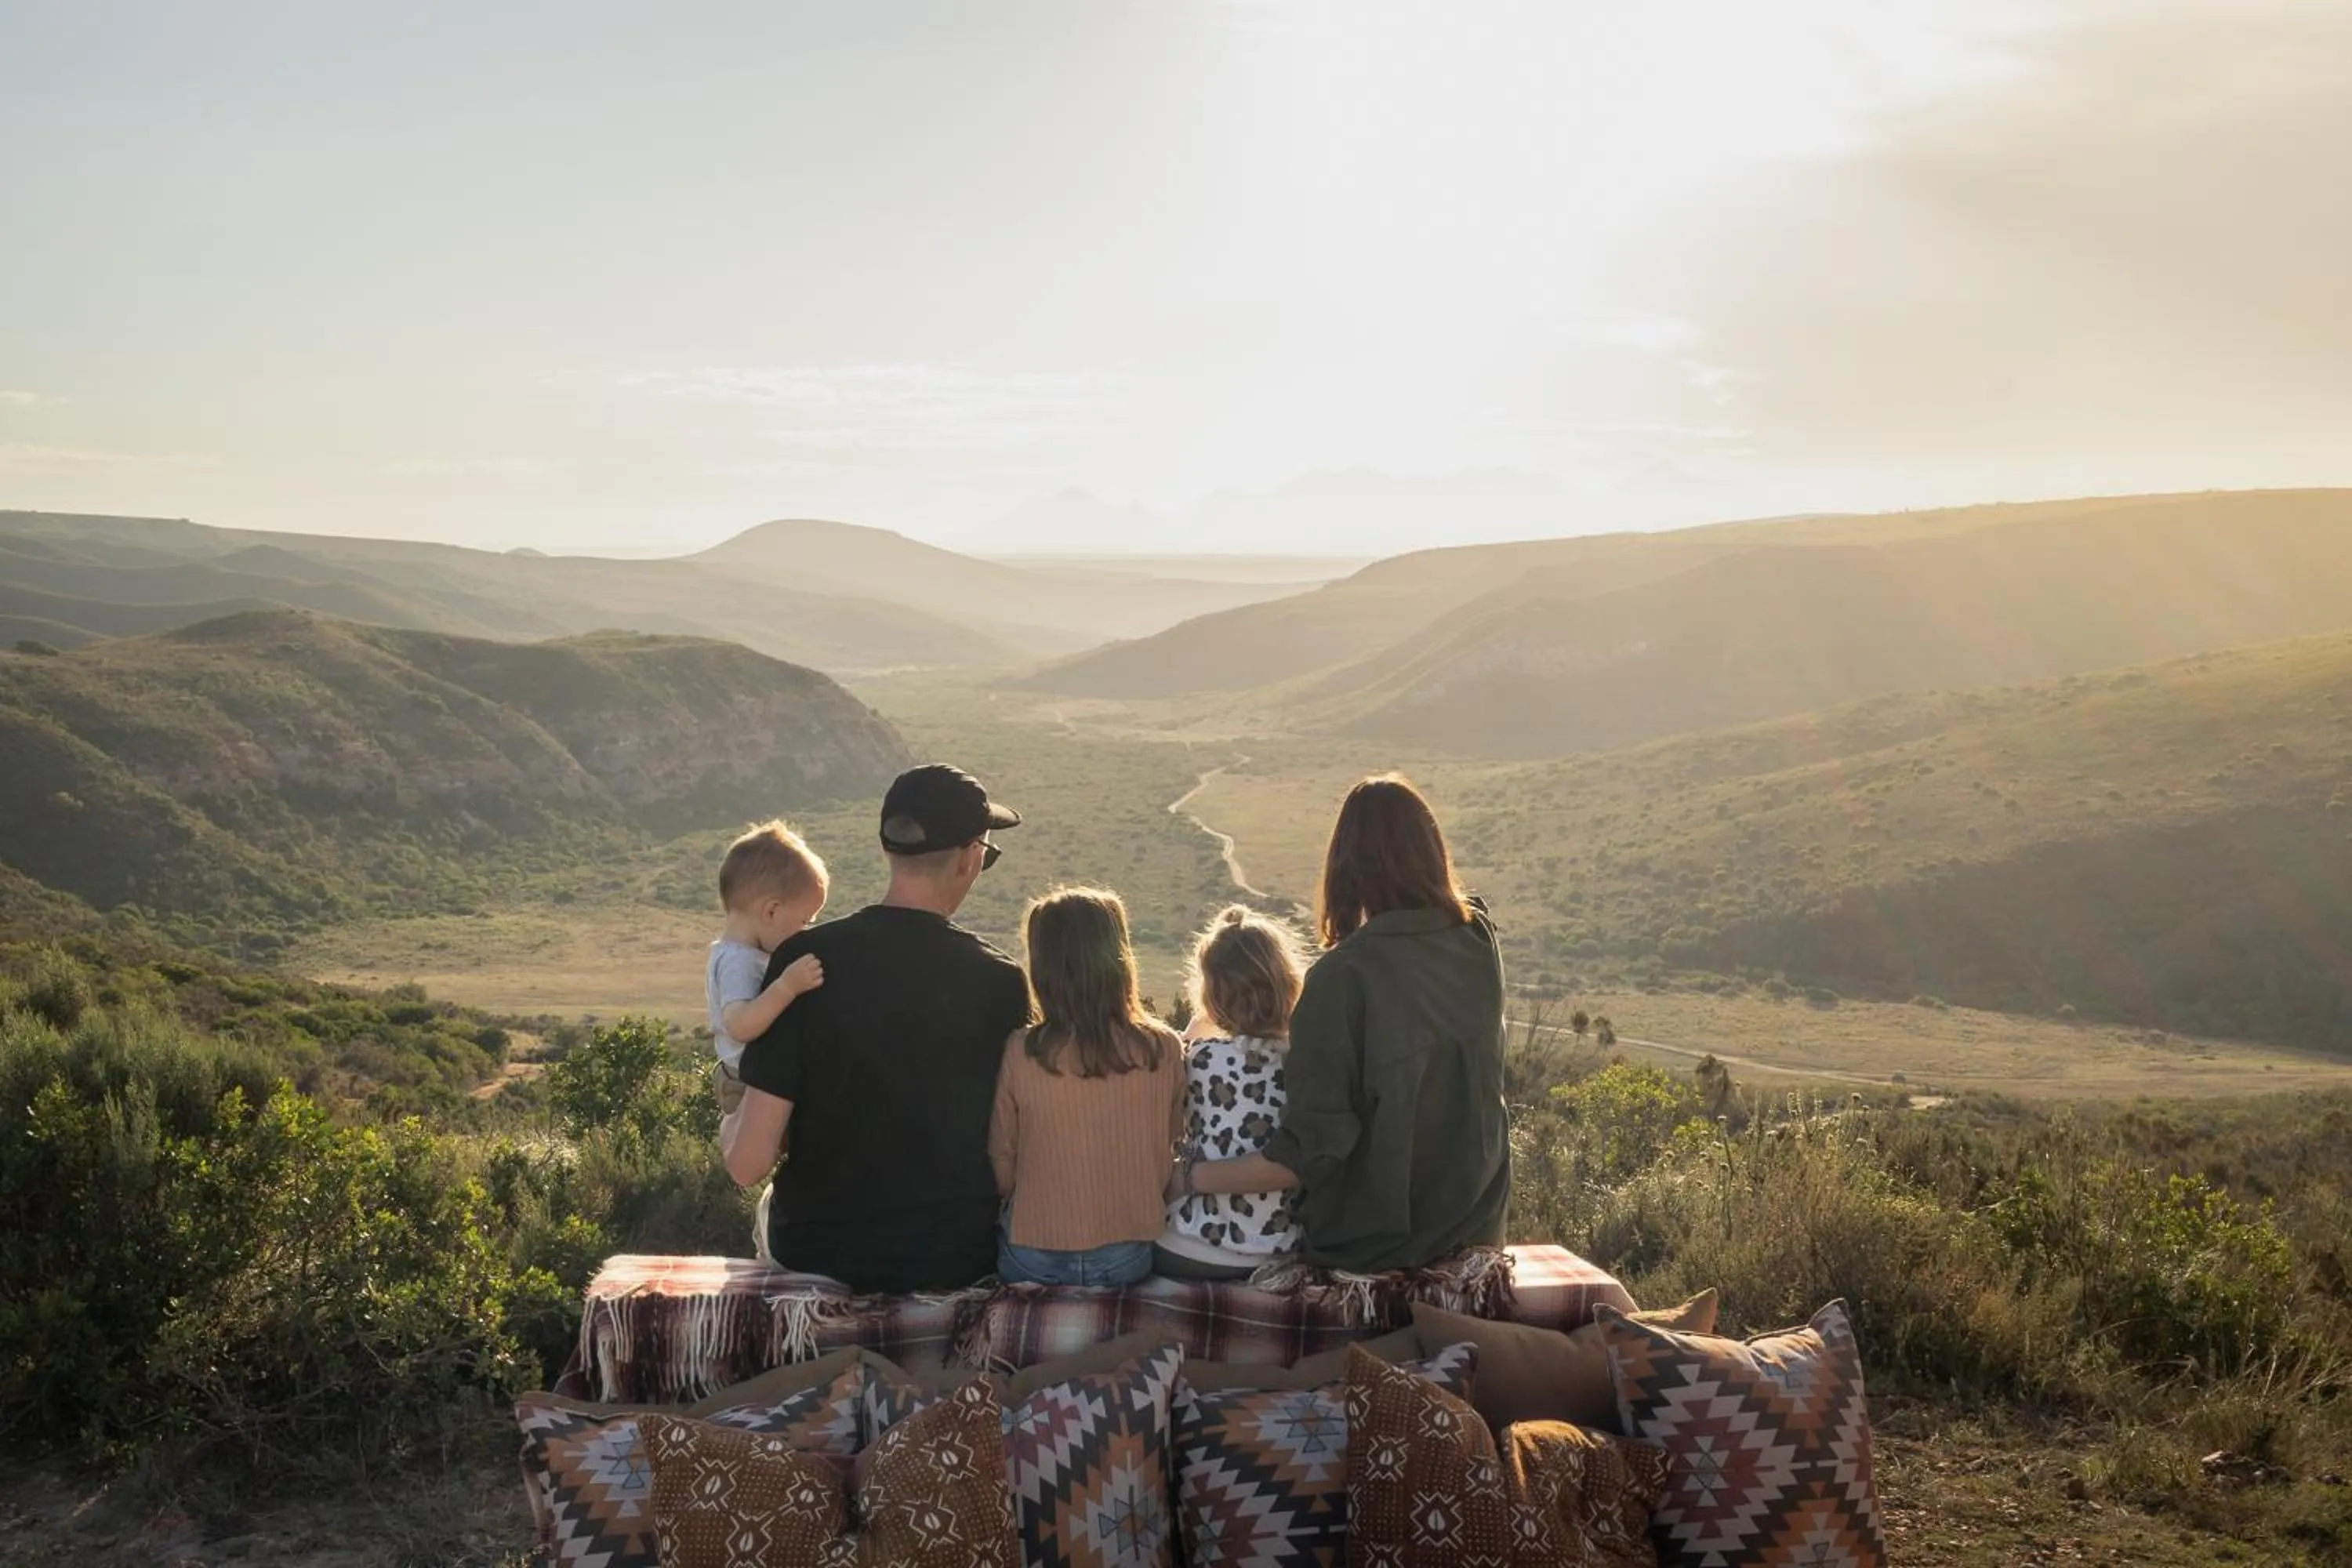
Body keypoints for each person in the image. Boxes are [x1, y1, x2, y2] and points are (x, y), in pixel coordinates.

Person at [1174, 774, 1511, 1272]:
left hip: (1384, 1243)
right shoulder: (1477, 937)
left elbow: (1304, 1154)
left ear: (1345, 866)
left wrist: (1187, 1179)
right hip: (1480, 1226)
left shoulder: (1342, 976)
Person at [724, 764, 1030, 1294]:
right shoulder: (1000, 982)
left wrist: (729, 1109)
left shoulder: (805, 963)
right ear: (969, 857)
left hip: (818, 1254)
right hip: (952, 1257)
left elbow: (748, 1165)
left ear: (887, 848)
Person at [989, 887, 1186, 1287]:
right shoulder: (1162, 1048)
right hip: (1127, 1254)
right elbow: (1170, 1147)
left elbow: (1002, 1166)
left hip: (1032, 1255)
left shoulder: (1021, 1050)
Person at [1155, 906, 1309, 1281]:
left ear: (1211, 996)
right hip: (1277, 1252)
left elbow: (1192, 1039)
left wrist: (1207, 1015)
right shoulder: (1304, 1065)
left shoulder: (1199, 1058)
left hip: (1189, 1245)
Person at [705, 822, 828, 1121]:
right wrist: (787, 987)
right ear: (771, 911)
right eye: (804, 920)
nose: (805, 931)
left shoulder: (744, 955)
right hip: (748, 1085)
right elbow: (741, 1025)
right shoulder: (739, 961)